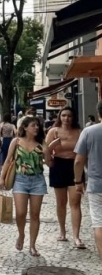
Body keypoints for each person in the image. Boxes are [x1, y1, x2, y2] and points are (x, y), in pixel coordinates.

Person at [0, 116, 46, 257]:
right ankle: (21, 234)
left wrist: (48, 151)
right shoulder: (16, 141)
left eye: (37, 125)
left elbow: (50, 163)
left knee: (35, 214)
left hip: (37, 180)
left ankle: (32, 245)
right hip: (20, 179)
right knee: (20, 213)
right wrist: (1, 178)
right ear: (25, 127)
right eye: (33, 125)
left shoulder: (41, 143)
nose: (36, 128)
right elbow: (8, 161)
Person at [45, 107, 85, 248]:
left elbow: (84, 151)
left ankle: (76, 236)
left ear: (73, 117)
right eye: (63, 116)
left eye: (69, 116)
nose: (66, 119)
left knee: (75, 203)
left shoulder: (79, 132)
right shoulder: (53, 131)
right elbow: (45, 151)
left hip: (75, 166)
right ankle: (62, 231)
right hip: (59, 166)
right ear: (59, 117)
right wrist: (52, 145)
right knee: (61, 202)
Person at [74, 101, 102, 264]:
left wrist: (78, 181)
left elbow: (78, 161)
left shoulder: (89, 131)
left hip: (96, 185)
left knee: (99, 224)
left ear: (98, 113)